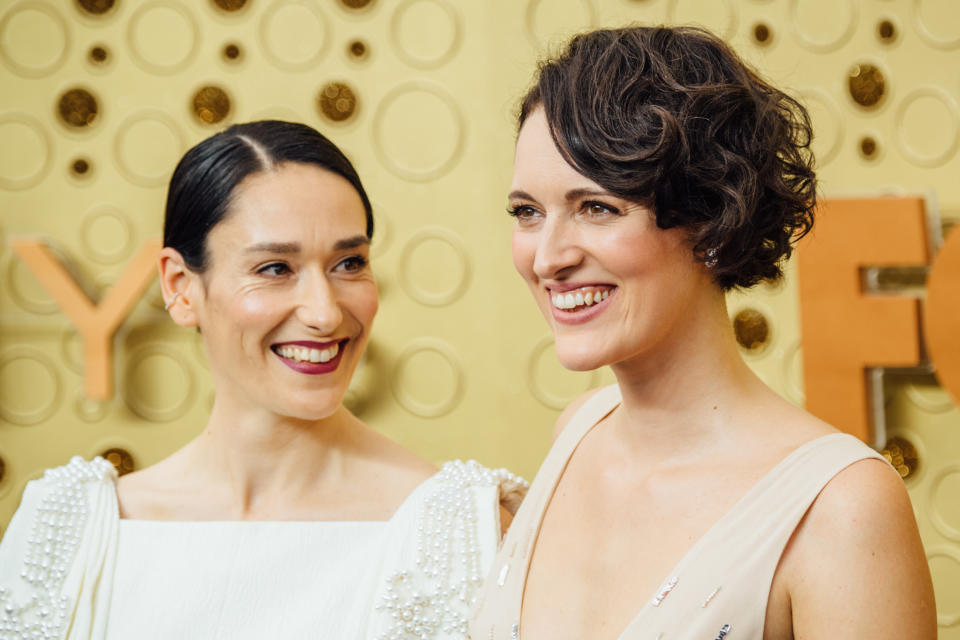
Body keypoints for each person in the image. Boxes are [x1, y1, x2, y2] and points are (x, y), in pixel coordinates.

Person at [471, 26, 936, 639]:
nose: (546, 256)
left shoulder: (842, 508)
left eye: (597, 207)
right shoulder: (578, 433)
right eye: (527, 212)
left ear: (715, 221)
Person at [0, 120, 524, 639]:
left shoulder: (465, 529)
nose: (324, 312)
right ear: (181, 287)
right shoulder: (67, 531)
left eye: (349, 263)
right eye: (275, 268)